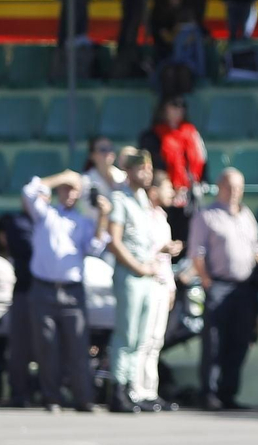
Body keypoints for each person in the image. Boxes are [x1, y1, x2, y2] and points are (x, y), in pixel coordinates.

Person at [23, 170, 111, 412]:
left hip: (72, 290)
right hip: (44, 287)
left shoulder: (82, 221)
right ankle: (52, 398)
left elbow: (95, 247)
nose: (70, 194)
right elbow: (29, 192)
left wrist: (103, 216)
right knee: (47, 346)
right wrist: (62, 177)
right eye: (66, 189)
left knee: (78, 346)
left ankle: (84, 398)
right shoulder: (46, 214)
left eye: (74, 190)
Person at [190, 168, 258, 410]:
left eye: (239, 188)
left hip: (244, 287)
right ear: (220, 187)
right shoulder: (207, 216)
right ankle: (209, 392)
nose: (234, 192)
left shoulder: (247, 215)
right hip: (219, 285)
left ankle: (228, 392)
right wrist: (207, 281)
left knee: (240, 340)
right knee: (214, 342)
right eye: (230, 187)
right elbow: (197, 254)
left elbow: (256, 249)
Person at [105, 149, 162, 414]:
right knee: (125, 334)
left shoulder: (142, 200)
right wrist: (139, 266)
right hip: (130, 274)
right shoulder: (120, 199)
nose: (147, 173)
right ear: (128, 171)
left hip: (146, 274)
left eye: (149, 169)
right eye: (141, 168)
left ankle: (131, 387)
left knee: (140, 337)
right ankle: (117, 389)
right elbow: (115, 242)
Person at [140, 170, 183, 411]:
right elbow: (141, 250)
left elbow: (165, 262)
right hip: (147, 282)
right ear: (154, 191)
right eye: (168, 188)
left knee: (156, 340)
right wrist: (162, 249)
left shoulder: (162, 218)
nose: (172, 193)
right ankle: (138, 390)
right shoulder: (143, 216)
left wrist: (171, 286)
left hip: (161, 284)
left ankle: (150, 391)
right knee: (144, 339)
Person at [146, 97, 206, 243]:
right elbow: (152, 165)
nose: (178, 110)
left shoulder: (192, 134)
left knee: (188, 238)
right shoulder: (152, 136)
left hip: (187, 197)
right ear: (163, 109)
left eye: (182, 106)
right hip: (164, 194)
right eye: (174, 105)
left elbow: (201, 162)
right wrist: (169, 187)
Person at [0, 210, 37, 406]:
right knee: (20, 347)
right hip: (22, 292)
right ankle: (19, 393)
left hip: (36, 292)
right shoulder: (20, 224)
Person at [82, 137, 127, 207]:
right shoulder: (85, 181)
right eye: (103, 149)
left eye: (110, 149)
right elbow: (88, 209)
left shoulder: (124, 176)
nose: (108, 152)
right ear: (92, 155)